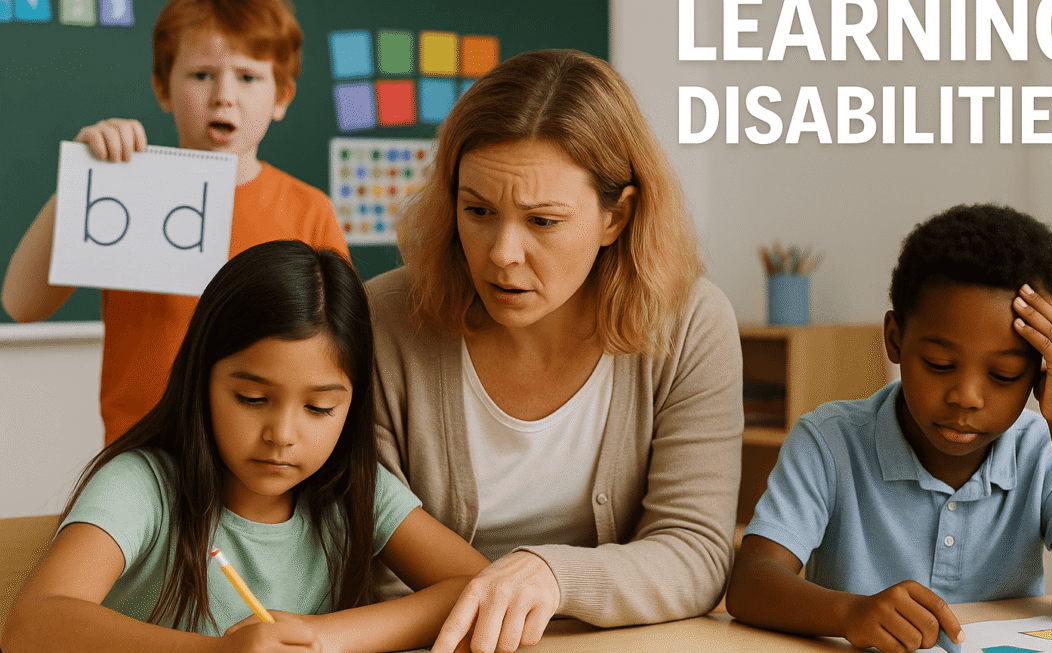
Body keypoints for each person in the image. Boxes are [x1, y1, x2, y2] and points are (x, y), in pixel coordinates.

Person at [365, 49, 744, 653]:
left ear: (616, 217)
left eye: (542, 222)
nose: (502, 253)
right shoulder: (383, 319)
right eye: (478, 211)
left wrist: (552, 576)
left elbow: (696, 552)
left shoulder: (690, 323)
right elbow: (373, 557)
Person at [1, 240, 489, 653]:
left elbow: (480, 587)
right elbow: (32, 624)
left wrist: (320, 637)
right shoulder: (142, 484)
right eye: (252, 398)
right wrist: (216, 651)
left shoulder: (355, 488)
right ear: (202, 379)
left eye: (319, 409)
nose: (282, 434)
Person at [727, 204, 1052, 653]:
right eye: (940, 365)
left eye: (1003, 375)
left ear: (1040, 371)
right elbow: (750, 584)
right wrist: (849, 613)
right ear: (895, 339)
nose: (967, 396)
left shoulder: (1039, 448)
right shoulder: (829, 441)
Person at [1, 0, 348, 445]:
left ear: (281, 96)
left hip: (259, 460)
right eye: (202, 75)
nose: (224, 94)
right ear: (163, 88)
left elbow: (337, 354)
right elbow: (22, 304)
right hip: (141, 451)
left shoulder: (309, 210)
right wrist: (82, 181)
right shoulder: (123, 185)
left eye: (247, 76)